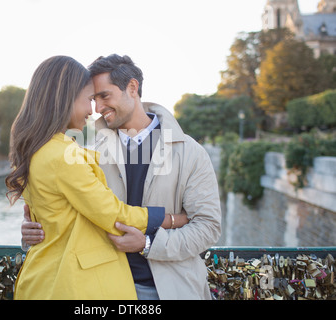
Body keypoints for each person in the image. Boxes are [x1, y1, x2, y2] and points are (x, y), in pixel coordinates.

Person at [21, 54, 222, 300]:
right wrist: (33, 231)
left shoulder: (190, 152)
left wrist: (148, 246)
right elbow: (65, 215)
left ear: (132, 87)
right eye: (92, 99)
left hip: (172, 289)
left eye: (105, 96)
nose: (97, 108)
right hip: (101, 289)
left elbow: (208, 228)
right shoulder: (83, 149)